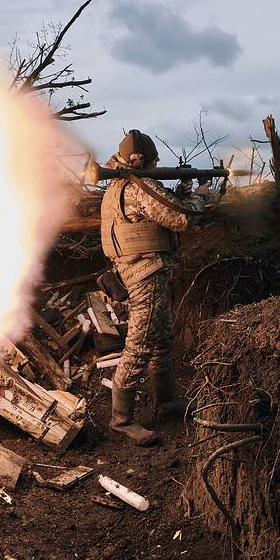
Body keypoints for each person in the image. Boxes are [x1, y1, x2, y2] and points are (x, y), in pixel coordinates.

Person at [100, 129, 219, 445]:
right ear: (144, 160)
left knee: (162, 339)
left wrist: (181, 190)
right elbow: (180, 218)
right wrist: (202, 196)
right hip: (145, 274)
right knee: (140, 344)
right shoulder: (139, 187)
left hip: (137, 270)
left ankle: (168, 404)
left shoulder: (117, 186)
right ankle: (121, 420)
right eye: (154, 160)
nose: (157, 164)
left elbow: (158, 208)